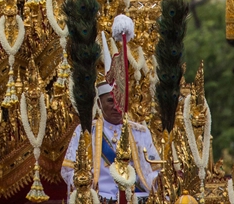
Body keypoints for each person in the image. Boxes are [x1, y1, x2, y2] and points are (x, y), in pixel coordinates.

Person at [60, 70, 160, 201]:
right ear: (99, 104)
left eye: (120, 101)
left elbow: (155, 169)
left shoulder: (140, 132)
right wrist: (85, 188)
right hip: (98, 197)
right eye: (110, 101)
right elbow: (68, 169)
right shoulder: (85, 131)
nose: (116, 107)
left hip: (137, 197)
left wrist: (156, 182)